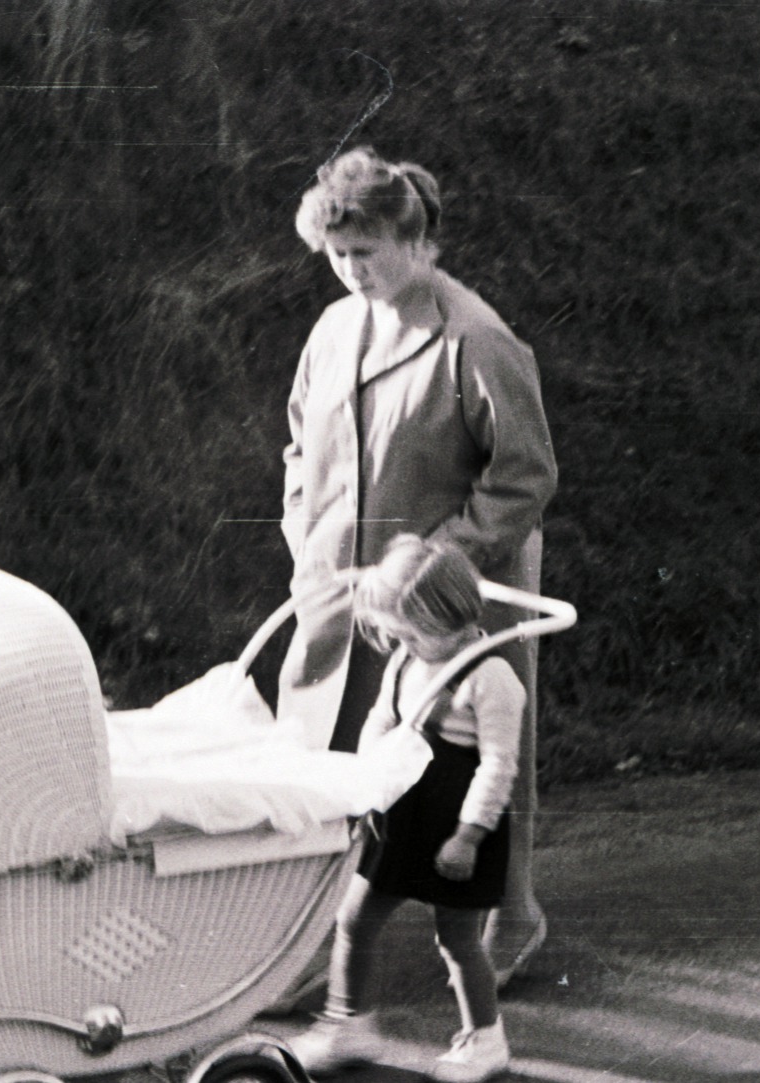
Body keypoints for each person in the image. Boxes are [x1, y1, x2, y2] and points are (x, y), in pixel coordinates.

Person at [277, 147, 557, 984]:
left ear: (417, 239)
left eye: (365, 251)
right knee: (319, 748)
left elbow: (524, 476)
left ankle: (509, 918)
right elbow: (299, 443)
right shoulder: (333, 329)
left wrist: (438, 566)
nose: (349, 269)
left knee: (469, 754)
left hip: (446, 596)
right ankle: (292, 952)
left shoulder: (475, 336)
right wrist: (305, 537)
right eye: (335, 254)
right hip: (338, 582)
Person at [291, 536, 523, 1081]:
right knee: (353, 918)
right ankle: (346, 1022)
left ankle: (485, 1042)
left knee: (458, 940)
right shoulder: (406, 661)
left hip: (458, 824)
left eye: (408, 631)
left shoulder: (492, 679)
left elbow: (497, 766)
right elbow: (382, 719)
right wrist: (369, 781)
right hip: (400, 814)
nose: (399, 641)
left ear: (447, 617)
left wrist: (469, 835)